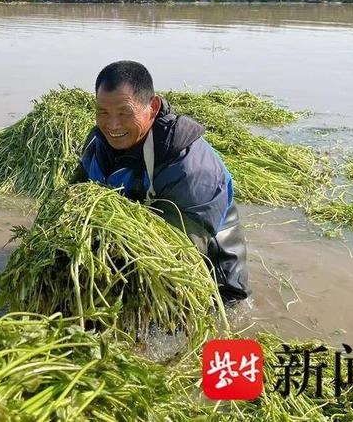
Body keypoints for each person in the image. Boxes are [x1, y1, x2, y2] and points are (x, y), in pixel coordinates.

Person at [73, 60, 250, 303]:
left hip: (206, 279)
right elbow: (74, 196)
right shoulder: (97, 143)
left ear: (153, 107)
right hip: (123, 258)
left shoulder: (190, 168)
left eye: (124, 113)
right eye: (103, 112)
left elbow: (176, 253)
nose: (112, 125)